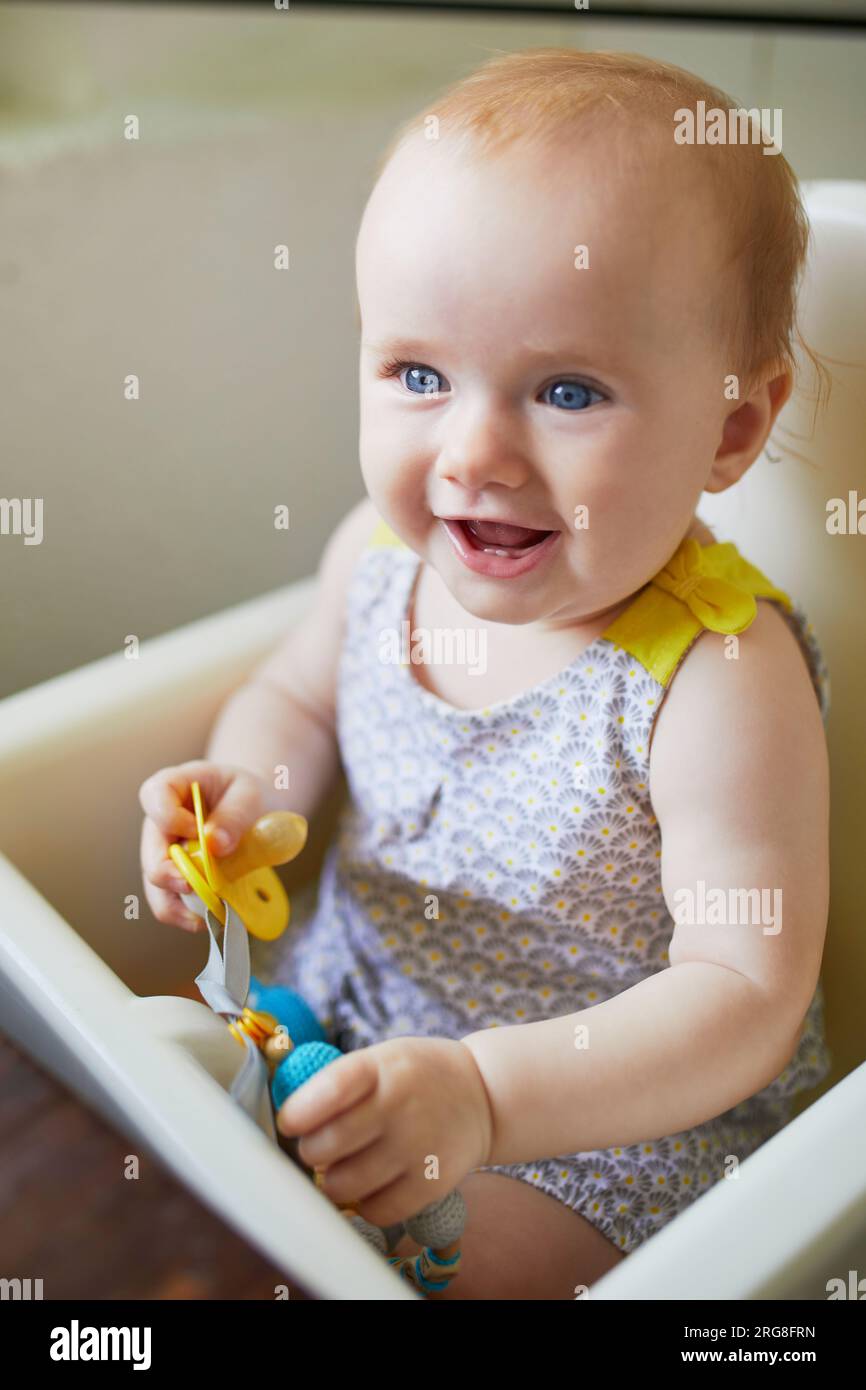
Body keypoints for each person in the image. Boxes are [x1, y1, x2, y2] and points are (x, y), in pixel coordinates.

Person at [139, 48, 832, 1300]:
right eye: (418, 375)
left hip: (596, 1128)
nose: (472, 453)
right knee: (152, 1101)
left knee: (447, 1278)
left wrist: (486, 1093)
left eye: (566, 390)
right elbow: (297, 700)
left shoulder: (715, 676)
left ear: (729, 427)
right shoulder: (376, 558)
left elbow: (741, 994)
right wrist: (238, 796)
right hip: (346, 1008)